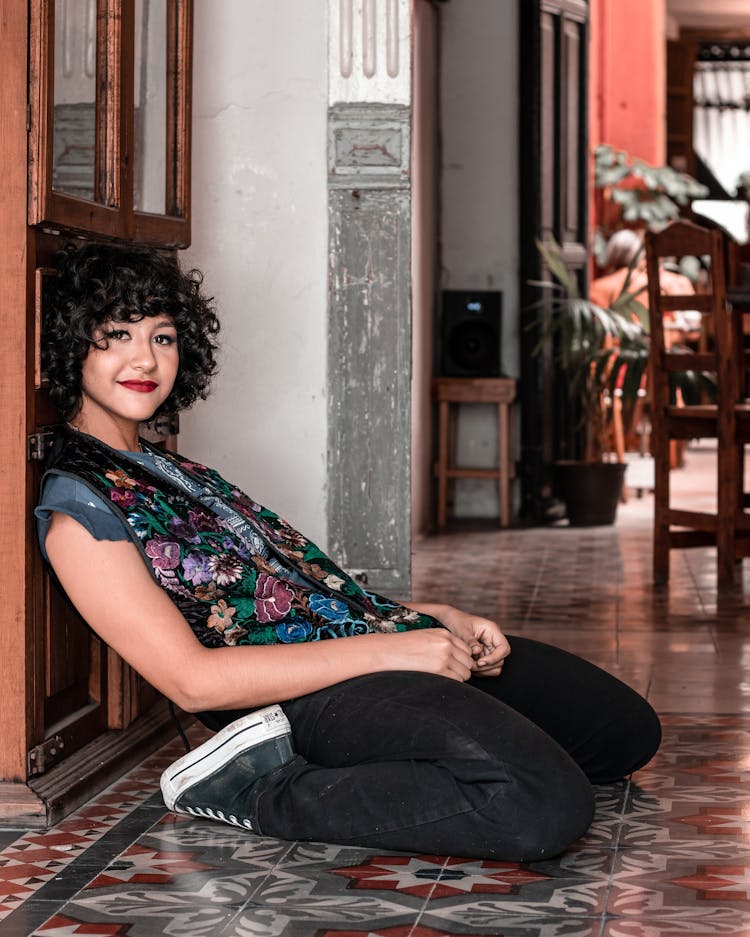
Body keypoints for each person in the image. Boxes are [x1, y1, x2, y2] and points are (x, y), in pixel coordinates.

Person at [36, 242, 661, 862]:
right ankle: (257, 788)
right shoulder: (80, 510)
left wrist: (432, 617)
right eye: (115, 334)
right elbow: (192, 682)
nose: (144, 358)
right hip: (294, 701)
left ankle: (460, 737)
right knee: (543, 802)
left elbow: (289, 591)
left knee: (622, 731)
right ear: (71, 344)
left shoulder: (169, 466)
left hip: (360, 647)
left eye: (163, 336)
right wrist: (394, 651)